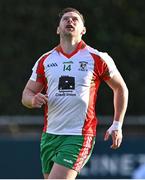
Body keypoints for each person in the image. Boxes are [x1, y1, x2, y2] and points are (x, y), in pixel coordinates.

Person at [21, 7, 128, 179]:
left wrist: (117, 124)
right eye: (65, 19)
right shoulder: (46, 59)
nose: (70, 21)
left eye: (75, 19)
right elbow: (27, 94)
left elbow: (120, 88)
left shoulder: (97, 57)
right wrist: (32, 100)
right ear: (58, 29)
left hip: (79, 136)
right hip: (50, 135)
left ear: (83, 30)